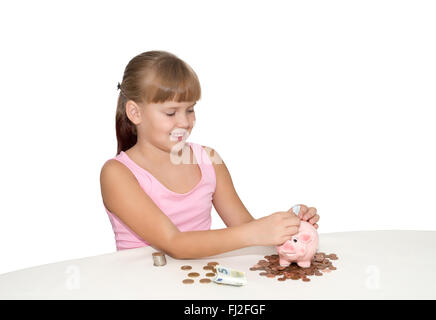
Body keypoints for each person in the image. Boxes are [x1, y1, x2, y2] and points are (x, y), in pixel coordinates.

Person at [100, 50, 320, 259]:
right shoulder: (117, 174)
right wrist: (256, 232)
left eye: (190, 109)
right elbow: (174, 243)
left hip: (199, 286)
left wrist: (288, 227)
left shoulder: (208, 160)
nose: (185, 122)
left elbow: (245, 228)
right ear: (135, 112)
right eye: (171, 112)